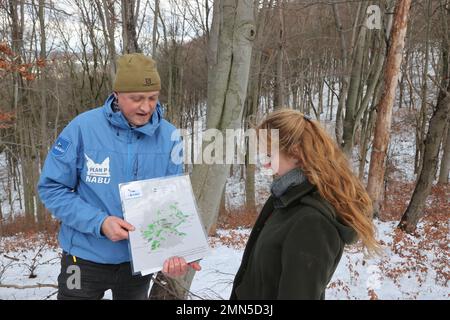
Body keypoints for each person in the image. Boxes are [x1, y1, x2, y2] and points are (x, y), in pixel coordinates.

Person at [38, 53, 200, 300]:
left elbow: (170, 203)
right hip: (82, 257)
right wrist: (100, 223)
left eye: (152, 98)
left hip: (136, 263)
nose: (146, 107)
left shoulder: (169, 137)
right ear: (116, 94)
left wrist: (177, 250)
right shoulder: (82, 128)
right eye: (136, 98)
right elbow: (52, 188)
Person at [230, 109, 379, 300]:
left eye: (269, 154)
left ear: (295, 153)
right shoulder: (286, 198)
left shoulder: (312, 223)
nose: (264, 164)